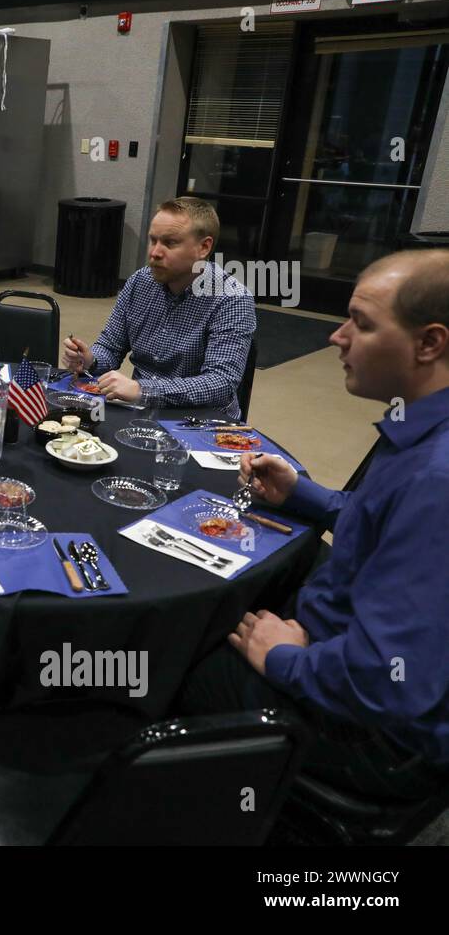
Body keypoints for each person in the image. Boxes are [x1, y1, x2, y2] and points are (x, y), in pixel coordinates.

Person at [179, 249, 449, 800]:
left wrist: (288, 659)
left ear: (429, 343)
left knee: (172, 660)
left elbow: (390, 678)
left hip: (378, 738)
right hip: (340, 647)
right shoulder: (421, 429)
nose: (337, 336)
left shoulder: (436, 478)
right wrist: (307, 495)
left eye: (362, 323)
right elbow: (384, 527)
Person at [61, 197, 256, 419]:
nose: (154, 252)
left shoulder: (232, 299)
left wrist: (143, 390)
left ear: (204, 247)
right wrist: (90, 360)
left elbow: (219, 383)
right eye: (153, 240)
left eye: (170, 243)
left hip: (200, 423)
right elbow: (110, 347)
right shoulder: (140, 282)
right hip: (140, 412)